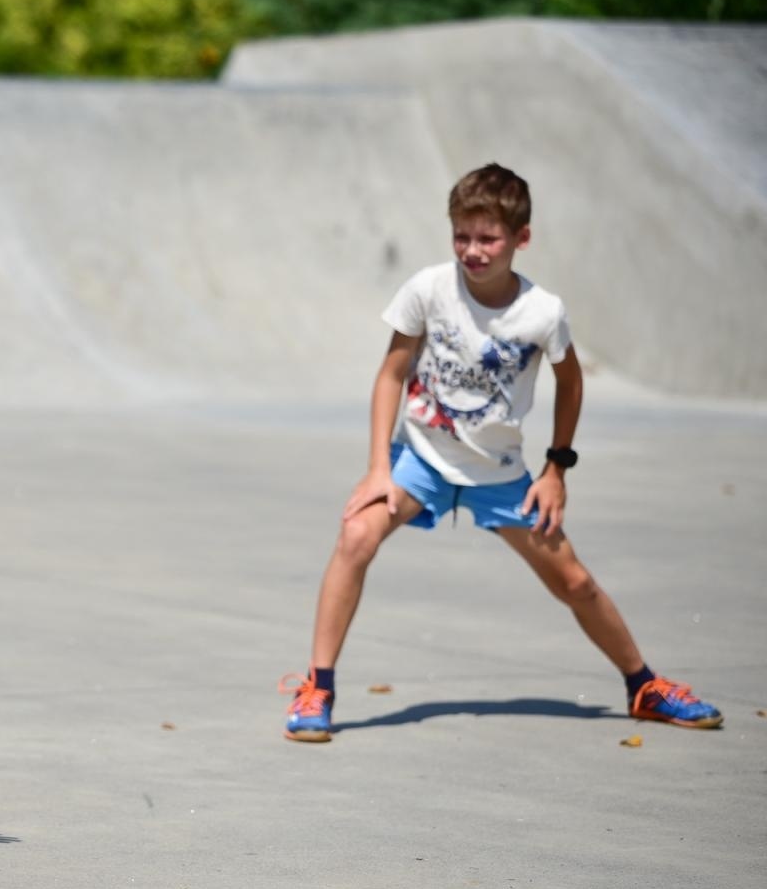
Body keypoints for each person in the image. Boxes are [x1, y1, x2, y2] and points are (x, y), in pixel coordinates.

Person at [280, 164, 722, 744]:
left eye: (488, 238)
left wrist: (556, 469)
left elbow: (571, 383)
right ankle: (318, 688)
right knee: (355, 535)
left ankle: (643, 687)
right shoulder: (428, 290)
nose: (473, 250)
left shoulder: (542, 312)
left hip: (500, 474)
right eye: (461, 236)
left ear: (521, 237)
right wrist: (378, 468)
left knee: (575, 583)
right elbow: (390, 375)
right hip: (422, 459)